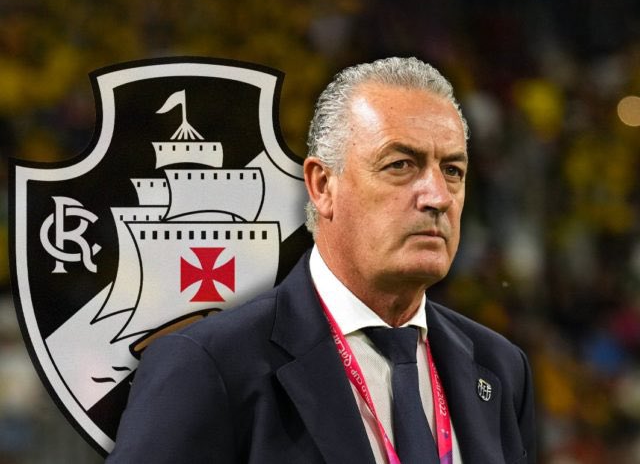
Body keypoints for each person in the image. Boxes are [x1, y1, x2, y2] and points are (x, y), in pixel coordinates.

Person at [107, 57, 536, 464]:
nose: (438, 196)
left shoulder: (500, 368)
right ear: (322, 185)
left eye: (453, 170)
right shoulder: (209, 366)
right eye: (401, 165)